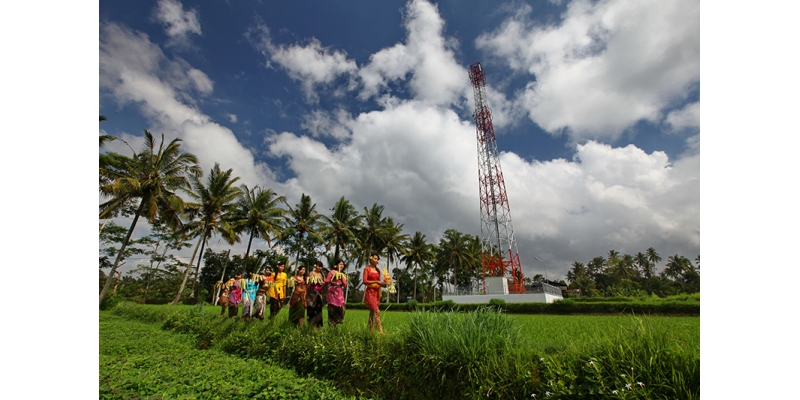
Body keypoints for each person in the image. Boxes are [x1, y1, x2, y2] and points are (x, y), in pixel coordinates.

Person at [363, 252, 387, 333]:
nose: (376, 260)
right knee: (377, 311)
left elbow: (379, 282)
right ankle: (381, 331)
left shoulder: (378, 270)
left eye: (377, 259)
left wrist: (385, 285)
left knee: (372, 312)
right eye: (375, 258)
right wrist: (376, 281)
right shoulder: (367, 269)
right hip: (370, 292)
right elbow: (365, 281)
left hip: (377, 293)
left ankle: (369, 330)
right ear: (371, 259)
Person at [325, 259, 347, 326]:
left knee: (341, 309)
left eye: (342, 264)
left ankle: (337, 322)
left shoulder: (343, 274)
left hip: (339, 292)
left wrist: (342, 279)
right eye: (340, 264)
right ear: (336, 265)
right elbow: (327, 281)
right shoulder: (332, 272)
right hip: (332, 292)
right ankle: (332, 325)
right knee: (332, 309)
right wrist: (334, 277)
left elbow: (345, 285)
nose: (341, 266)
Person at [306, 260, 325, 328]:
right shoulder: (311, 273)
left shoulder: (322, 274)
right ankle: (312, 324)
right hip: (311, 294)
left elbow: (324, 282)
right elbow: (308, 283)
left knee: (318, 309)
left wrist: (322, 284)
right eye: (318, 266)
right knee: (312, 308)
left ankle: (317, 325)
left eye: (321, 266)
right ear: (315, 266)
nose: (319, 268)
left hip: (319, 294)